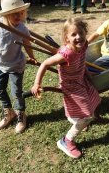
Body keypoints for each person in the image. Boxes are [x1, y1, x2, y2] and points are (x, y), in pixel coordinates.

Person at [31, 17, 101, 159]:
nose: (79, 37)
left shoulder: (84, 45)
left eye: (81, 33)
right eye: (73, 34)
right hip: (71, 86)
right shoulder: (67, 54)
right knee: (87, 115)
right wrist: (37, 83)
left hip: (81, 80)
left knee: (94, 99)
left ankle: (78, 120)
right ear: (66, 38)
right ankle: (66, 141)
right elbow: (45, 64)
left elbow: (82, 60)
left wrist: (87, 74)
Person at [0, 0, 36, 133]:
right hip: (0, 64)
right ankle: (9, 112)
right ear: (5, 15)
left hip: (16, 64)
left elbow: (27, 44)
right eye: (14, 14)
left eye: (20, 13)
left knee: (16, 92)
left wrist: (32, 57)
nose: (18, 17)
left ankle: (21, 114)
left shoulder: (22, 28)